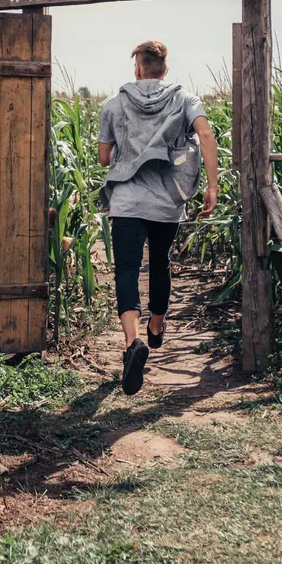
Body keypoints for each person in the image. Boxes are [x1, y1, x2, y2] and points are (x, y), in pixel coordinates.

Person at [97, 40, 218, 395]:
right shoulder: (184, 99)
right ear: (165, 69)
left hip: (127, 203)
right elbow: (206, 134)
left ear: (137, 68)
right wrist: (212, 186)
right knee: (161, 264)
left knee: (126, 271)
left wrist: (125, 147)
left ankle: (133, 341)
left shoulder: (114, 104)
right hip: (166, 203)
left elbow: (105, 158)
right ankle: (156, 327)